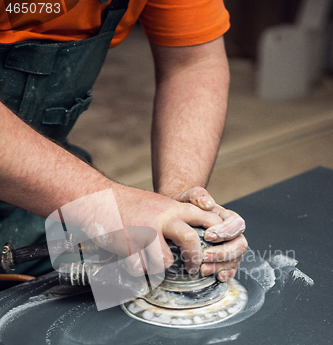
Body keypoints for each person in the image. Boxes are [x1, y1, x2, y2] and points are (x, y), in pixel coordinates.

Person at [0, 0, 247, 279]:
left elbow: (193, 64)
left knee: (124, 284)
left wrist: (177, 203)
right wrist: (103, 203)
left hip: (44, 197)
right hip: (62, 190)